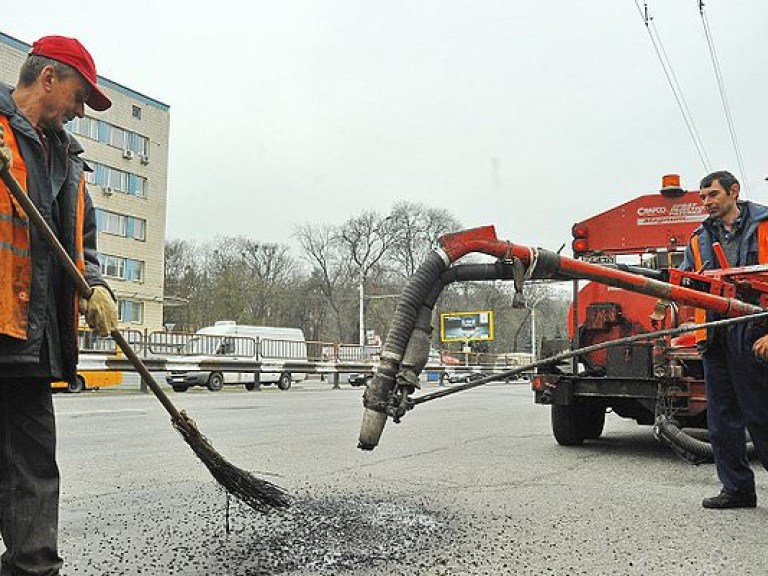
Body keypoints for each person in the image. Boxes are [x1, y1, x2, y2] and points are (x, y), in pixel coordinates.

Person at [0, 36, 118, 574]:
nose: (77, 112)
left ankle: (32, 569)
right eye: (77, 98)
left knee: (35, 470)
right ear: (47, 79)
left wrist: (97, 287)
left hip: (32, 340)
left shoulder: (67, 161)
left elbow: (81, 244)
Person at [681, 170, 768, 509]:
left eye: (712, 195)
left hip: (756, 332)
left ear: (734, 192)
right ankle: (737, 489)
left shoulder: (764, 225)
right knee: (721, 419)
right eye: (702, 198)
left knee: (761, 414)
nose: (706, 203)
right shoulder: (698, 238)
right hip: (715, 335)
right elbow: (688, 282)